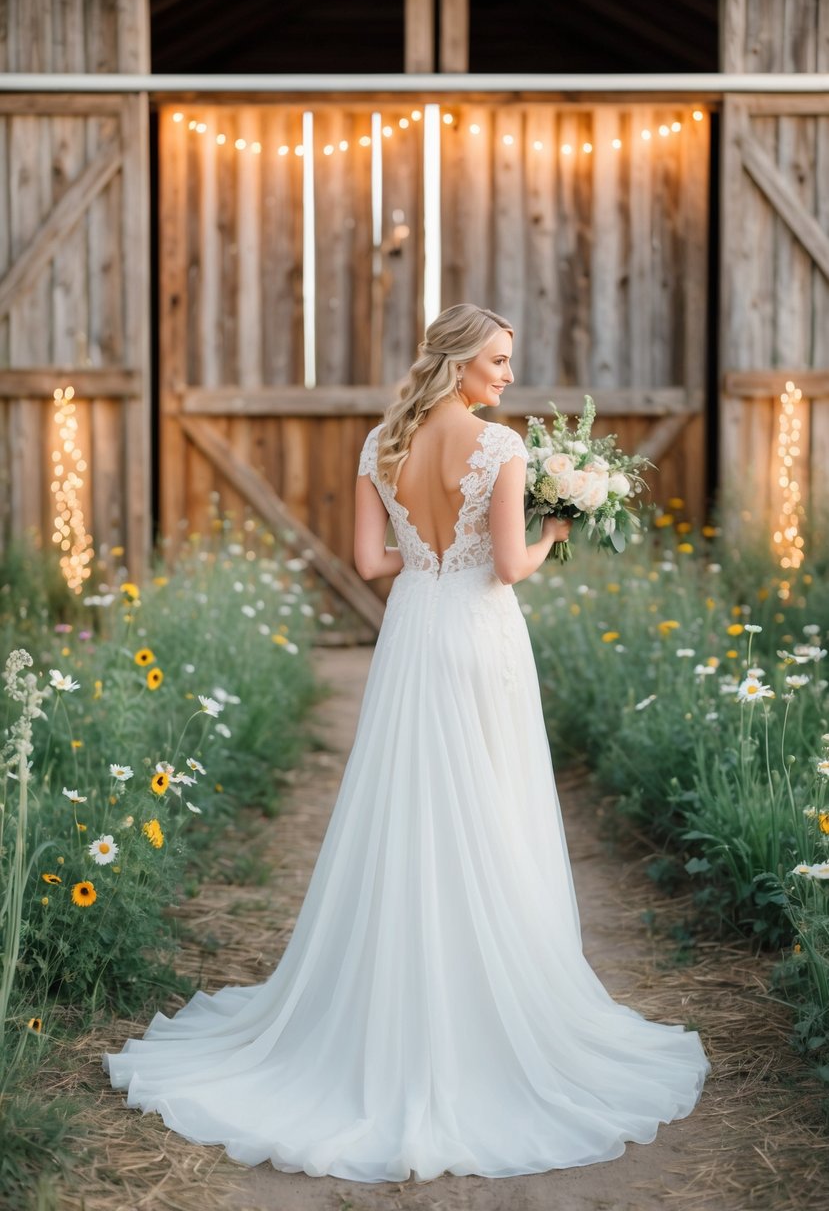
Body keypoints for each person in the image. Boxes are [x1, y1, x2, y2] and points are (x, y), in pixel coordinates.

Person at [103, 303, 710, 1183]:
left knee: (408, 806)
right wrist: (551, 533)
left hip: (412, 628)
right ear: (460, 360)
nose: (508, 374)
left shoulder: (379, 442)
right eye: (498, 360)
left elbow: (367, 561)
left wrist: (423, 553)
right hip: (476, 635)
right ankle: (478, 1006)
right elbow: (505, 568)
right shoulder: (501, 451)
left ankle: (396, 988)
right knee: (490, 810)